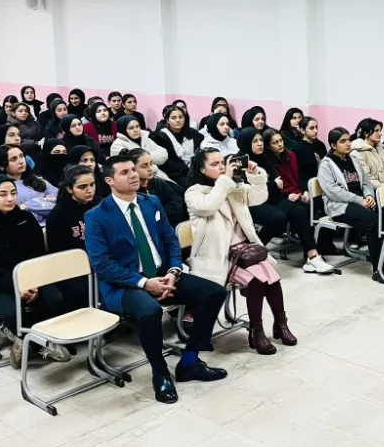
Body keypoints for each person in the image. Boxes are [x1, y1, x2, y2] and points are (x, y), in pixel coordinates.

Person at [84, 154, 229, 404]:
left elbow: (170, 240)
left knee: (215, 292)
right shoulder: (96, 215)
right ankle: (160, 373)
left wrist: (173, 271)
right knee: (150, 311)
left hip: (162, 274)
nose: (133, 175)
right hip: (125, 284)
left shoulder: (151, 202)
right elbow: (102, 264)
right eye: (124, 172)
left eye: (133, 169)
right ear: (109, 180)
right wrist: (143, 283)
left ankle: (189, 362)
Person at [185, 148, 297, 355]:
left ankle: (281, 325)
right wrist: (225, 181)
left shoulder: (232, 187)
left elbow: (259, 197)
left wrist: (255, 176)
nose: (221, 167)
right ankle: (257, 330)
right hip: (218, 256)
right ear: (201, 169)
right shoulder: (195, 192)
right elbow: (207, 206)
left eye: (223, 162)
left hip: (244, 251)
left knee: (272, 277)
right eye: (215, 164)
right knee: (257, 279)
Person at [0, 176, 71, 368]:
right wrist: (17, 285)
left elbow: (38, 254)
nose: (10, 198)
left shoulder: (24, 219)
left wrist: (33, 282)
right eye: (3, 194)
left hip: (30, 278)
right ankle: (28, 339)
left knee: (55, 299)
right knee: (13, 312)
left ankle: (31, 339)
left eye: (13, 193)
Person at [318, 127, 384, 281]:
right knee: (373, 221)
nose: (348, 144)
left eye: (349, 140)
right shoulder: (326, 165)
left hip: (363, 201)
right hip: (340, 206)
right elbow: (333, 192)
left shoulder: (353, 159)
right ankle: (379, 270)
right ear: (333, 145)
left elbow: (366, 182)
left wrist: (368, 195)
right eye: (343, 141)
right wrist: (360, 200)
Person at [261, 129, 335, 274]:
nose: (280, 144)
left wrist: (304, 190)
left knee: (319, 204)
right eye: (275, 143)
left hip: (295, 193)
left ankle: (318, 250)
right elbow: (271, 188)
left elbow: (300, 177)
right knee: (300, 211)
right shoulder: (267, 161)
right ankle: (312, 255)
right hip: (276, 199)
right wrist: (287, 195)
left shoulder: (291, 155)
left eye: (280, 141)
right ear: (268, 146)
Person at [45, 165, 100, 308]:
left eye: (92, 184)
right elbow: (59, 254)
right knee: (80, 291)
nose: (89, 190)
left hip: (103, 260)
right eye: (82, 187)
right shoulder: (59, 215)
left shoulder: (102, 205)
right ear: (70, 189)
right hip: (74, 267)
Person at [235, 129, 289, 246]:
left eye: (261, 140)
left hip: (268, 197)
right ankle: (255, 245)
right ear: (246, 142)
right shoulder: (239, 161)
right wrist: (273, 185)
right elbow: (248, 190)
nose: (260, 144)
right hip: (249, 203)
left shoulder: (264, 157)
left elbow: (279, 181)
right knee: (278, 218)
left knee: (297, 208)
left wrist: (273, 185)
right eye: (255, 141)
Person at [0, 145, 58, 227]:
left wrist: (27, 205)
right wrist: (43, 202)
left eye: (21, 156)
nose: (21, 161)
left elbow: (60, 202)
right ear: (1, 165)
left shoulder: (38, 180)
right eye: (13, 159)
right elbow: (13, 212)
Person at [128, 147, 187, 227]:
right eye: (144, 166)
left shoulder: (159, 183)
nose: (150, 169)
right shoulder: (130, 192)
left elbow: (176, 203)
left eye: (151, 164)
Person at [150, 105, 202, 185]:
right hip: (175, 174)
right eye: (173, 118)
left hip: (195, 170)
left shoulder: (194, 134)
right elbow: (166, 162)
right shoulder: (161, 137)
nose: (178, 120)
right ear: (167, 120)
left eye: (181, 117)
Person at [294, 116, 327, 192]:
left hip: (325, 182)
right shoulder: (298, 149)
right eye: (311, 128)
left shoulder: (320, 145)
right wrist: (304, 190)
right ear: (302, 130)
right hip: (309, 185)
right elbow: (298, 173)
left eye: (316, 127)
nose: (315, 131)